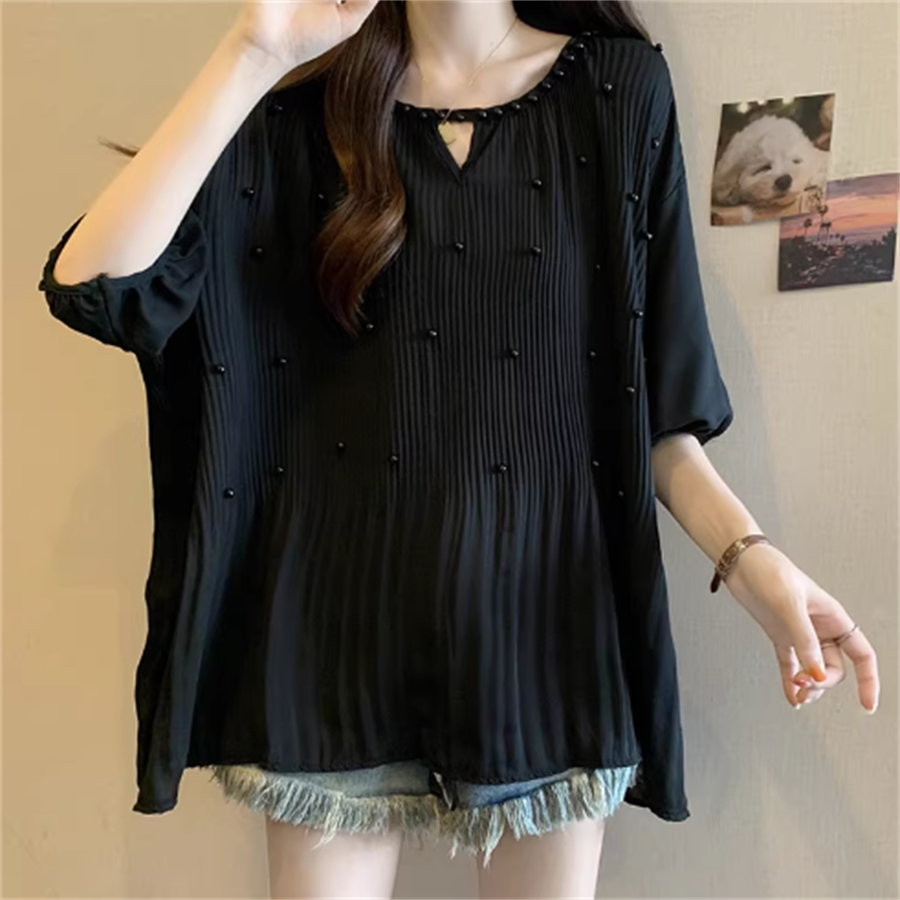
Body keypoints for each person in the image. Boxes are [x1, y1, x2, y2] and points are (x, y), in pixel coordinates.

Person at [38, 0, 880, 897]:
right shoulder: (289, 113)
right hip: (328, 643)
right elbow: (95, 288)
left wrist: (751, 561)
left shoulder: (619, 91)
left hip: (547, 632)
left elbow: (650, 405)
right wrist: (253, 51)